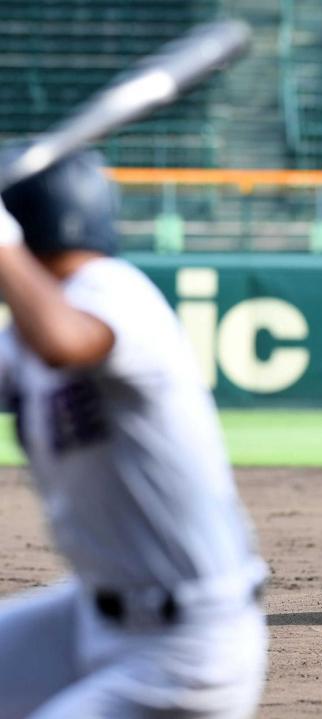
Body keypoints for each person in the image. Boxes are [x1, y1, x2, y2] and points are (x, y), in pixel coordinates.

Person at [0, 149, 267, 716]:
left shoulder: (109, 290)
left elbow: (63, 342)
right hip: (89, 616)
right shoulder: (25, 335)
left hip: (188, 645)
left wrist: (3, 246)